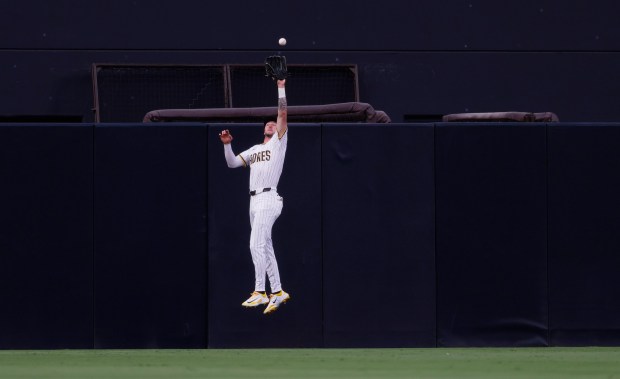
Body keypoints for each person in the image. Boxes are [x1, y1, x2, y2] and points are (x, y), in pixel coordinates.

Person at [218, 79, 290, 315]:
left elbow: (282, 112)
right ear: (263, 129)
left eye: (274, 123)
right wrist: (227, 145)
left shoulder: (278, 143)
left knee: (255, 244)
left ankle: (260, 292)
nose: (271, 124)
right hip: (254, 201)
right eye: (268, 123)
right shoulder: (255, 150)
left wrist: (280, 86)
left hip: (269, 197)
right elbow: (231, 164)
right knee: (265, 246)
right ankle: (278, 292)